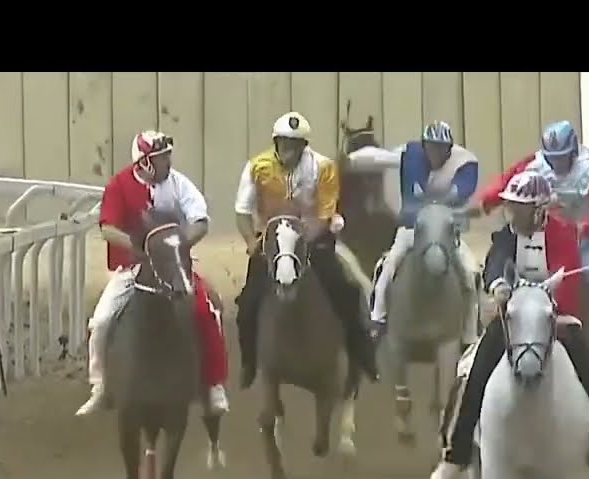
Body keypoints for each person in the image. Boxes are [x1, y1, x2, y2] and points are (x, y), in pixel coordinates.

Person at [429, 170, 589, 479]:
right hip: (513, 318)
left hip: (554, 317)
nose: (511, 212)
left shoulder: (563, 235)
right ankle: (456, 454)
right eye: (511, 206)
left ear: (538, 209)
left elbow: (566, 279)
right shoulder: (507, 234)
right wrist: (500, 285)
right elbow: (496, 262)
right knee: (474, 374)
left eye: (518, 207)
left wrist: (545, 306)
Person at [479, 120, 589, 396]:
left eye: (562, 159)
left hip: (583, 243)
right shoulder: (535, 166)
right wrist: (487, 200)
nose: (556, 165)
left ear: (573, 153)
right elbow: (509, 182)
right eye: (552, 159)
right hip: (542, 237)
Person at [75, 130, 229, 417]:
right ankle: (100, 385)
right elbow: (107, 228)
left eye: (167, 156)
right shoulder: (119, 185)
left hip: (173, 265)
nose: (168, 162)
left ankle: (213, 383)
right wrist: (139, 247)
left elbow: (200, 221)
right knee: (101, 321)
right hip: (131, 268)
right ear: (145, 162)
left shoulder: (179, 184)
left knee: (208, 312)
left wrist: (177, 245)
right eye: (161, 158)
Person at [233, 111, 380, 388]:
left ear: (304, 146)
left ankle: (363, 355)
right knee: (248, 303)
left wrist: (302, 244)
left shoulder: (323, 167)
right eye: (285, 143)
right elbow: (242, 211)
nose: (289, 150)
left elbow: (325, 214)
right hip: (271, 243)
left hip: (315, 239)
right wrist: (252, 243)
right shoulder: (256, 166)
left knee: (348, 291)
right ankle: (249, 362)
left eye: (295, 144)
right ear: (276, 142)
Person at [346, 121, 480, 334]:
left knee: (469, 273)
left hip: (446, 230)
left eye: (440, 148)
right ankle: (377, 318)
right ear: (424, 146)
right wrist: (348, 160)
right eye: (431, 147)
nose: (435, 153)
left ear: (449, 149)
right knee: (388, 267)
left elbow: (460, 192)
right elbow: (379, 157)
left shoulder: (464, 164)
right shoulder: (411, 155)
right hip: (411, 229)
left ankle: (470, 331)